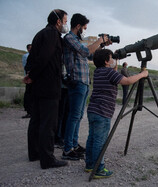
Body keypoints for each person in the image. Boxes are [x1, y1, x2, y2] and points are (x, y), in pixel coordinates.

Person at [85, 49, 148, 178]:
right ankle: (98, 169)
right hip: (103, 112)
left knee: (92, 138)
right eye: (111, 58)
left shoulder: (98, 72)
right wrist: (142, 74)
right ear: (106, 61)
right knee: (100, 141)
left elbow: (113, 75)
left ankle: (90, 165)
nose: (113, 60)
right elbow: (128, 81)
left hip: (93, 110)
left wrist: (115, 63)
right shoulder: (109, 72)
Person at [23, 9, 69, 169]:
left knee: (36, 120)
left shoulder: (40, 33)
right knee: (48, 123)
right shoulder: (51, 35)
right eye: (65, 21)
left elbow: (32, 59)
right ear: (58, 22)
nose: (65, 25)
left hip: (38, 86)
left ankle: (35, 153)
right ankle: (47, 159)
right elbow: (44, 58)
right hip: (48, 86)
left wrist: (30, 75)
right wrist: (33, 75)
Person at [62, 13, 110, 160]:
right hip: (76, 81)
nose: (85, 30)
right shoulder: (69, 38)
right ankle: (67, 148)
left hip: (83, 82)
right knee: (74, 116)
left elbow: (88, 56)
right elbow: (86, 51)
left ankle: (74, 145)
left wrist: (101, 45)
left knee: (78, 116)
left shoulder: (77, 40)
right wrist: (99, 40)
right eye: (84, 27)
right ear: (78, 26)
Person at [22, 44, 32, 118]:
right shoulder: (27, 56)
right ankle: (29, 110)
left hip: (30, 77)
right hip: (29, 78)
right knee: (29, 94)